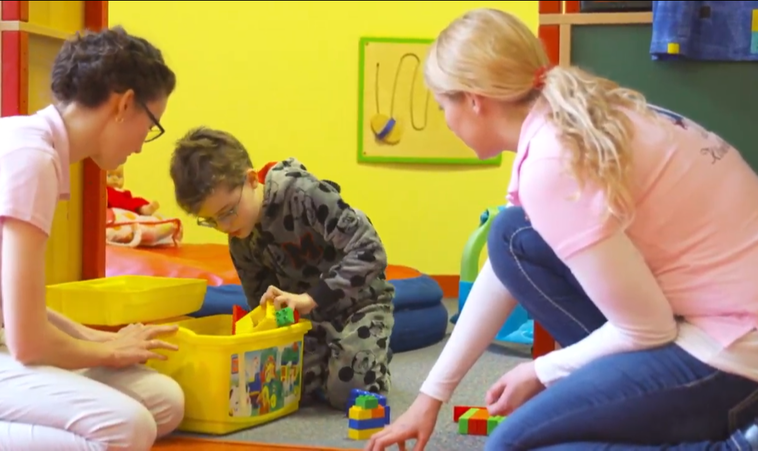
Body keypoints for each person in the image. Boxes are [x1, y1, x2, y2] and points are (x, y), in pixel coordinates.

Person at [366, 7, 758, 451]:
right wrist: (430, 398)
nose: (446, 120)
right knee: (511, 235)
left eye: (443, 107)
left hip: (734, 349)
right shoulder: (568, 120)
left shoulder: (553, 159)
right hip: (705, 319)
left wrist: (543, 371)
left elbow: (647, 329)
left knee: (513, 445)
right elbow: (504, 265)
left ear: (474, 100)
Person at [0, 26, 184, 451]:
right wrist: (110, 353)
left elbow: (15, 306)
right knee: (129, 427)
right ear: (125, 104)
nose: (141, 145)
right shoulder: (31, 159)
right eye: (151, 125)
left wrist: (100, 338)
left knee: (163, 401)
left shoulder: (32, 141)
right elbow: (29, 342)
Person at [169, 127, 395, 410]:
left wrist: (310, 298)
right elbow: (264, 310)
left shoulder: (302, 193)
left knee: (348, 392)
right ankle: (338, 356)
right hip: (309, 319)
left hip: (359, 304)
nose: (224, 226)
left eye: (228, 212)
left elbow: (370, 250)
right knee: (276, 384)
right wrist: (273, 315)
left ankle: (365, 354)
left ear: (252, 180)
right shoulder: (240, 240)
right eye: (211, 221)